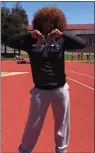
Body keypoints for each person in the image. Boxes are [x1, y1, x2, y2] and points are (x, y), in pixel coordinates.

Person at [5, 6, 86, 153]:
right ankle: (25, 150)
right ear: (38, 22)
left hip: (60, 89)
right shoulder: (31, 41)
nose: (48, 24)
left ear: (57, 23)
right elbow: (9, 41)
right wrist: (29, 35)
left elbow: (82, 44)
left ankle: (61, 150)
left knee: (62, 125)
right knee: (33, 125)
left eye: (51, 21)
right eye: (45, 21)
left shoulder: (61, 40)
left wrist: (63, 35)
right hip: (40, 91)